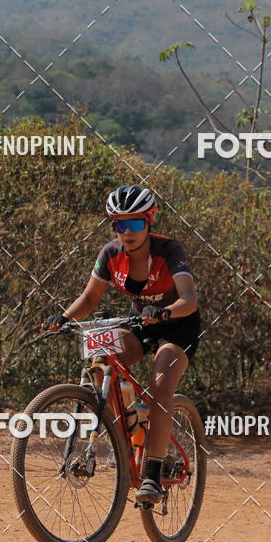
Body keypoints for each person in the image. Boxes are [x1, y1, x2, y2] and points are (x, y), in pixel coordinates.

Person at [43, 184, 200, 504]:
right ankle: (130, 430)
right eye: (119, 224)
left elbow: (190, 300)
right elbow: (89, 298)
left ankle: (152, 477)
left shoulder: (170, 250)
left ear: (150, 221)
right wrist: (63, 317)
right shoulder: (110, 254)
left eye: (135, 224)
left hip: (178, 326)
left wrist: (166, 311)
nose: (127, 232)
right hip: (140, 321)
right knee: (101, 362)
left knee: (161, 382)